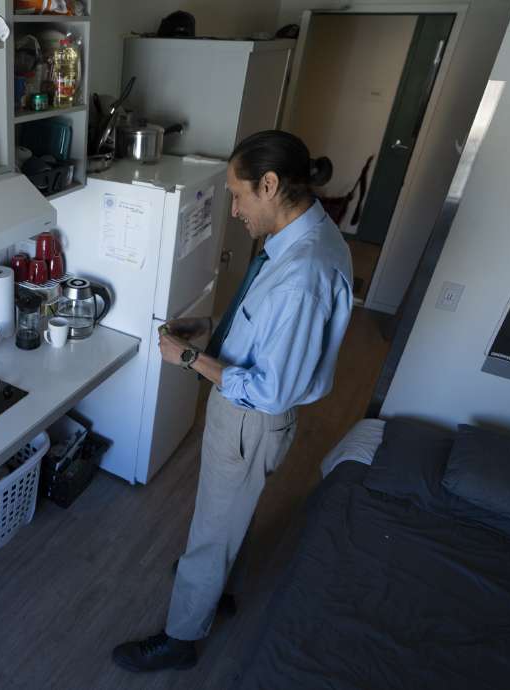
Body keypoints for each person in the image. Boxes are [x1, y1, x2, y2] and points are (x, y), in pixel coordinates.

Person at [112, 130, 353, 672]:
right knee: (226, 517)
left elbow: (270, 388)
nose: (235, 209)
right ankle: (213, 585)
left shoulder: (303, 273)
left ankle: (179, 639)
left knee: (212, 527)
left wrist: (189, 359)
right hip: (248, 416)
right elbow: (267, 334)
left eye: (238, 195)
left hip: (251, 418)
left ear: (269, 185)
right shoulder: (300, 239)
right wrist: (210, 329)